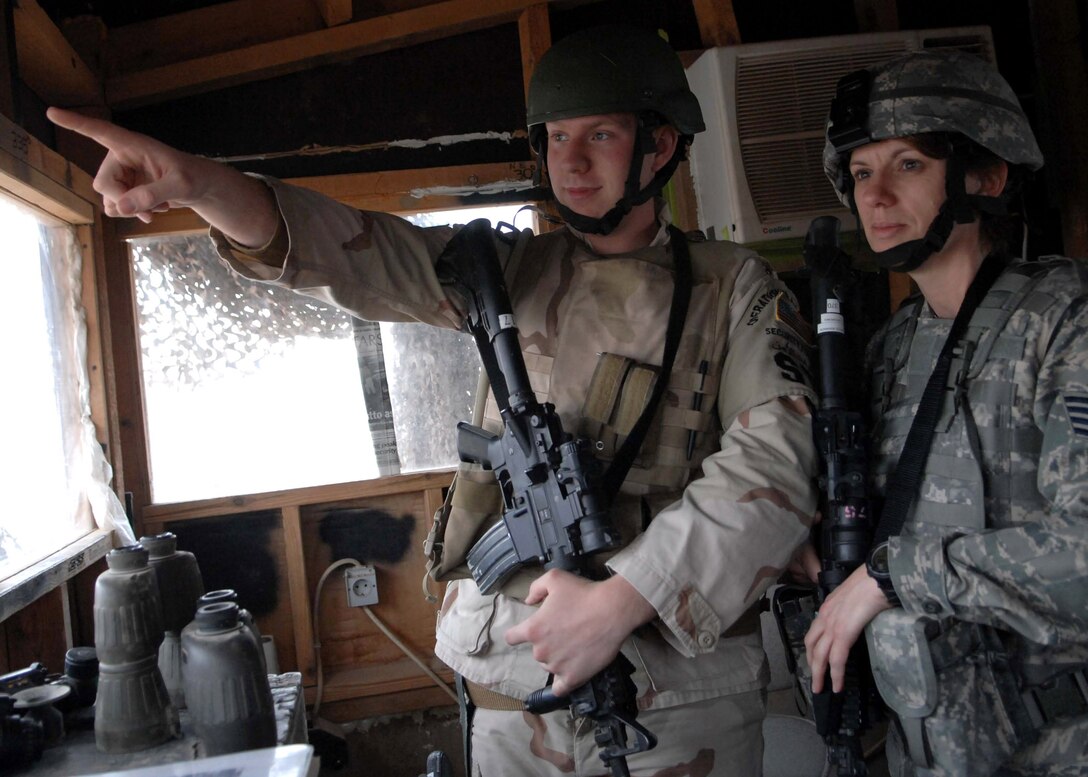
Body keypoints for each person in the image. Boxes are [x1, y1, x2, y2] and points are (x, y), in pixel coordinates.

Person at [49, 25, 819, 775]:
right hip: (514, 683)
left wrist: (622, 599)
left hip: (674, 698)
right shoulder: (505, 269)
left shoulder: (733, 286)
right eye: (555, 137)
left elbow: (777, 463)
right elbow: (358, 255)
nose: (571, 161)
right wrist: (202, 185)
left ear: (661, 144)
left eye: (601, 135)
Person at [802, 50, 1088, 776]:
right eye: (861, 173)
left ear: (985, 177)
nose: (875, 196)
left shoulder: (1064, 322)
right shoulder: (891, 350)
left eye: (908, 165)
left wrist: (892, 575)